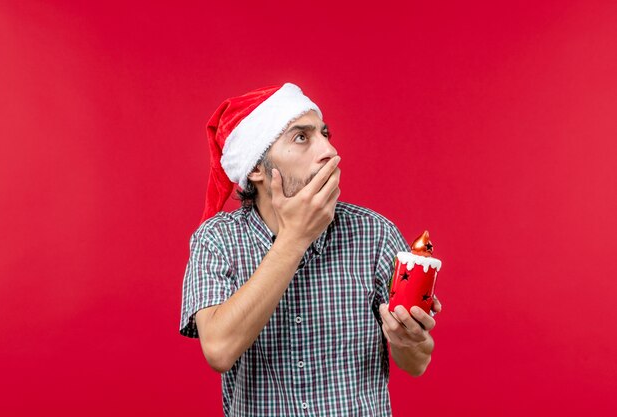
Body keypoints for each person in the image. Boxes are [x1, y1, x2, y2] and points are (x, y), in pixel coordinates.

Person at [179, 83, 442, 416]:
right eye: (301, 137)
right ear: (257, 169)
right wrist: (295, 238)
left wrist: (409, 341)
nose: (330, 152)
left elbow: (417, 362)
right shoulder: (216, 240)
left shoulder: (374, 234)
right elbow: (218, 349)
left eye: (325, 134)